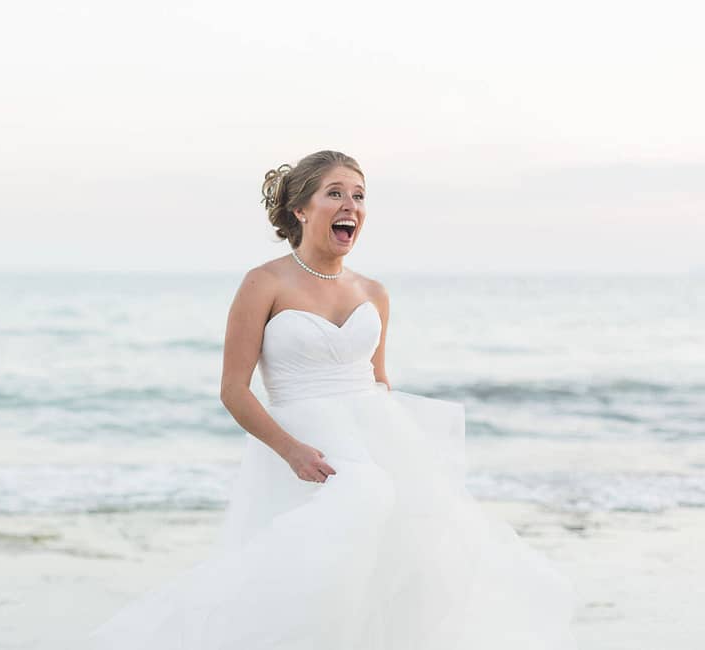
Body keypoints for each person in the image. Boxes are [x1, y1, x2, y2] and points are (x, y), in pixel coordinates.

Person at [84, 150, 579, 649]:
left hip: (376, 435)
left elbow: (378, 379)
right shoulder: (265, 282)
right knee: (335, 533)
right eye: (336, 193)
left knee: (399, 572)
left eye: (359, 196)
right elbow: (233, 390)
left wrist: (409, 454)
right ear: (301, 209)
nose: (351, 206)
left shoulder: (373, 292)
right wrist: (291, 450)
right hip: (303, 446)